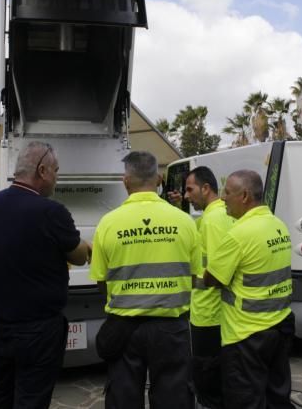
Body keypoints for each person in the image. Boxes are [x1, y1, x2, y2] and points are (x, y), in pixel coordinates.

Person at [0, 141, 91, 408]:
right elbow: (78, 256)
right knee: (31, 397)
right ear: (42, 170)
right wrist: (86, 245)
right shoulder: (51, 211)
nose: (57, 177)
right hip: (38, 328)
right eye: (56, 170)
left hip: (1, 323)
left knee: (0, 390)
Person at [90, 151, 199, 409]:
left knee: (123, 399)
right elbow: (193, 277)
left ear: (125, 181)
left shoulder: (108, 224)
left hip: (124, 329)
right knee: (175, 399)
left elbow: (100, 281)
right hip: (172, 329)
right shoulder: (185, 222)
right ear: (159, 179)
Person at [204, 170, 294, 409]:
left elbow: (212, 279)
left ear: (244, 196)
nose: (222, 198)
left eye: (227, 192)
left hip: (245, 335)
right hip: (279, 326)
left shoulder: (238, 235)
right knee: (277, 397)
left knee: (245, 401)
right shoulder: (278, 225)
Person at [183, 166, 234, 408]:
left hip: (207, 315)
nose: (186, 195)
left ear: (206, 188)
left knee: (207, 384)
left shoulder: (212, 221)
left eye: (189, 189)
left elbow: (215, 272)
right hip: (221, 314)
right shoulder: (223, 214)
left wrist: (188, 280)